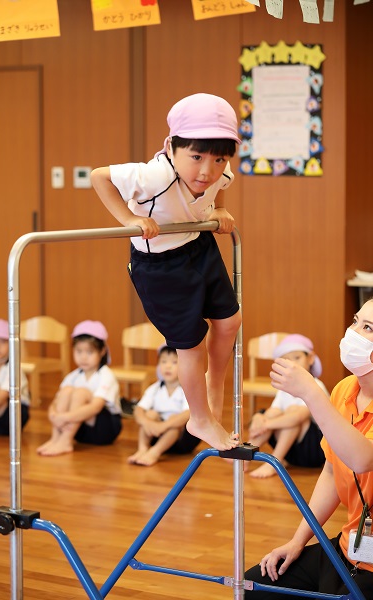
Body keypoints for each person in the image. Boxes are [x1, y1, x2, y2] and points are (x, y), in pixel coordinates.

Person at [91, 93, 242, 451]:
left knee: (230, 321)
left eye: (218, 158)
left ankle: (213, 386)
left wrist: (218, 211)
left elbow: (220, 185)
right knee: (191, 345)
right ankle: (200, 419)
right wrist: (129, 219)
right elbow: (100, 177)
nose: (206, 170)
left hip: (198, 246)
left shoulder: (219, 171)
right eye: (196, 157)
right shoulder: (153, 174)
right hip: (159, 266)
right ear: (172, 147)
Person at [245, 298, 373, 598]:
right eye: (355, 321)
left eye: (367, 328)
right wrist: (297, 540)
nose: (352, 332)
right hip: (348, 548)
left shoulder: (325, 392)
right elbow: (331, 471)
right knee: (256, 585)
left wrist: (311, 393)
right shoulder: (344, 390)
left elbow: (362, 458)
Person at [247, 334, 329, 479]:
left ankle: (275, 462)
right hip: (293, 450)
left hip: (315, 450)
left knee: (293, 413)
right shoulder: (284, 388)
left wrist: (266, 424)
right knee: (271, 414)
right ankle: (244, 456)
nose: (293, 364)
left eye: (297, 358)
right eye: (288, 360)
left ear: (310, 358)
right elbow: (274, 410)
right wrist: (261, 418)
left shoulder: (316, 385)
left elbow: (298, 416)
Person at [37, 320, 122, 456]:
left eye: (89, 352)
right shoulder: (73, 376)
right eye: (79, 351)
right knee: (67, 391)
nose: (83, 357)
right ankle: (56, 439)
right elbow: (56, 402)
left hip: (104, 430)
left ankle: (65, 441)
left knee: (80, 393)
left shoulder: (106, 375)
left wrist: (64, 417)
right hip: (80, 430)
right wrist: (53, 414)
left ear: (102, 351)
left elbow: (95, 407)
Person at [128, 346, 200, 466]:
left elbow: (187, 414)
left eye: (174, 362)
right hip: (156, 434)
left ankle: (155, 453)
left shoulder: (186, 389)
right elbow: (139, 410)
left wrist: (163, 426)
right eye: (163, 361)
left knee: (174, 420)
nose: (168, 366)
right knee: (151, 414)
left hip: (180, 439)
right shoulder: (154, 388)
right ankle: (142, 449)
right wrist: (147, 422)